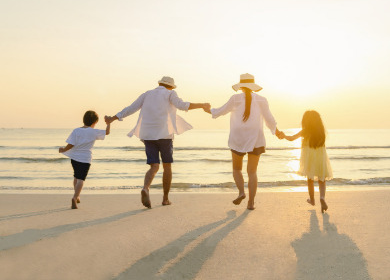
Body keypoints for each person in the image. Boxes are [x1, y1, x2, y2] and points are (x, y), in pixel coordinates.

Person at [104, 76, 210, 209]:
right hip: (165, 134)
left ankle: (146, 188)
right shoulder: (171, 93)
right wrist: (202, 105)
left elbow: (130, 109)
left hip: (148, 134)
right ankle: (165, 199)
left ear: (159, 84)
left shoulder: (147, 94)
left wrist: (113, 118)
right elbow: (182, 105)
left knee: (154, 166)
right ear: (171, 86)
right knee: (167, 166)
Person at [205, 73, 282, 210]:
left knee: (236, 169)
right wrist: (277, 132)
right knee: (252, 172)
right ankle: (251, 203)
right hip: (256, 138)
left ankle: (241, 192)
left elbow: (219, 111)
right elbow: (269, 119)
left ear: (241, 86)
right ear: (253, 86)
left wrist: (209, 110)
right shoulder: (261, 100)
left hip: (238, 138)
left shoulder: (235, 99)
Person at [279, 110, 333, 213]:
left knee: (310, 179)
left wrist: (284, 136)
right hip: (320, 158)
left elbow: (292, 138)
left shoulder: (305, 131)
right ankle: (322, 197)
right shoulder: (321, 132)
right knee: (322, 179)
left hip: (309, 158)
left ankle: (312, 199)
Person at [59, 110, 110, 209]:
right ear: (94, 122)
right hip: (85, 158)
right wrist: (108, 123)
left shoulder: (76, 130)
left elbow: (71, 144)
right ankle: (74, 197)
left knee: (76, 177)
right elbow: (107, 132)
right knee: (81, 179)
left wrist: (63, 149)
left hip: (74, 158)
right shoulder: (94, 131)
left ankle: (77, 196)